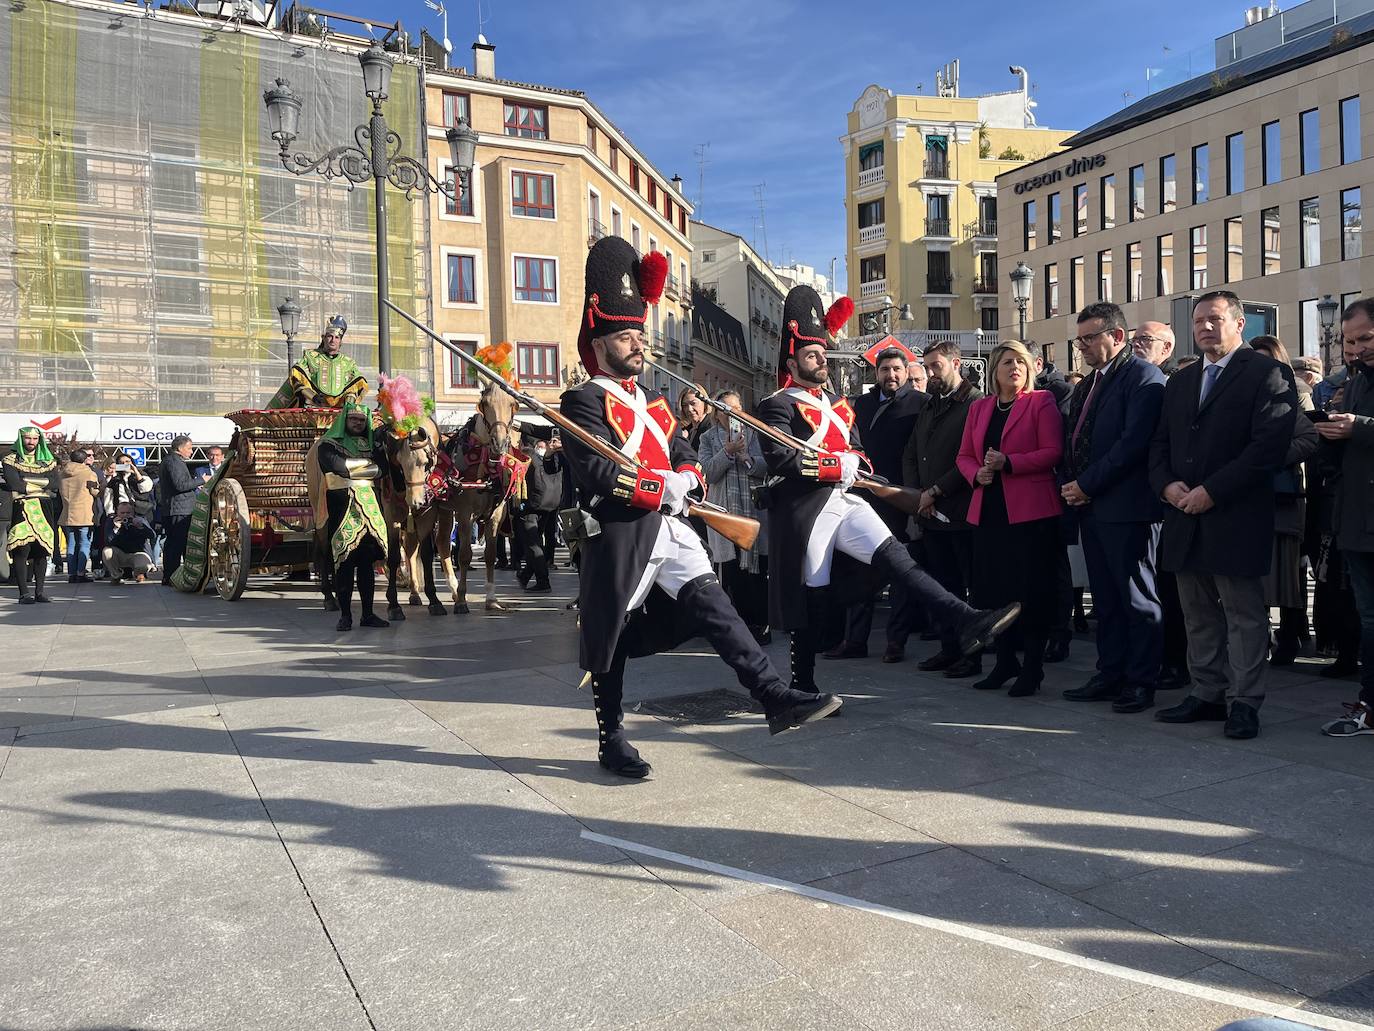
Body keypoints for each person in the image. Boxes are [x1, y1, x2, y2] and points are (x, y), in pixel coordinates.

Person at [560, 237, 841, 779]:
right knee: (610, 635)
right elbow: (596, 473)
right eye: (627, 336)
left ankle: (773, 696)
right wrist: (653, 486)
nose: (639, 344)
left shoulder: (652, 400)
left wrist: (686, 474)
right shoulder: (583, 401)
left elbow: (682, 446)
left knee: (719, 610)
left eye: (640, 334)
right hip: (622, 533)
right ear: (599, 343)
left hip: (672, 530)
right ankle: (611, 737)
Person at [757, 284, 1019, 700]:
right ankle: (802, 685)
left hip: (845, 500)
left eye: (823, 352)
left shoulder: (841, 405)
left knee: (900, 558)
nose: (822, 359)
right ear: (792, 360)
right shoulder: (777, 405)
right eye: (812, 354)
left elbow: (857, 449)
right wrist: (834, 464)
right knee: (811, 600)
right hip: (805, 511)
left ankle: (969, 619)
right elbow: (780, 460)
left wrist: (854, 462)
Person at [1149, 291, 1299, 740]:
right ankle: (1207, 692)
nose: (1205, 328)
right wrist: (1166, 485)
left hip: (1234, 512)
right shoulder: (1180, 380)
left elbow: (1267, 448)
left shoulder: (1267, 373)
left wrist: (1212, 491)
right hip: (1184, 514)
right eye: (1198, 321)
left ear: (1239, 324)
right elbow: (1159, 444)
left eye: (1214, 319)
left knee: (1243, 614)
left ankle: (1245, 701)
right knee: (1196, 612)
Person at [1058, 303, 1167, 713]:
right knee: (1105, 598)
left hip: (1128, 507)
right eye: (1079, 339)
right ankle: (1110, 672)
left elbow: (1133, 445)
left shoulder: (1143, 377)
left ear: (1116, 337)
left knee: (1137, 598)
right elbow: (1078, 438)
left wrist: (1086, 484)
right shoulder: (1090, 383)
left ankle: (1141, 681)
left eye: (1089, 338)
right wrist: (1074, 487)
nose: (1081, 346)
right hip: (1092, 507)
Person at [958, 341, 1065, 696]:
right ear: (994, 371)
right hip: (989, 510)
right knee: (992, 591)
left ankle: (1032, 668)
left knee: (1030, 591)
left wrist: (1011, 463)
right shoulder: (980, 408)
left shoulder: (1041, 402)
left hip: (1030, 513)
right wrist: (977, 474)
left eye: (1020, 361)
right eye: (1007, 362)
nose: (1014, 367)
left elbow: (1053, 452)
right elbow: (964, 455)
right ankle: (1004, 662)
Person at [827, 344, 927, 662]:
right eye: (885, 370)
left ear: (907, 372)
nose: (891, 375)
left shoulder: (921, 404)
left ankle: (895, 642)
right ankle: (854, 640)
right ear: (877, 373)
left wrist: (917, 498)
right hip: (862, 497)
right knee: (859, 570)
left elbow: (919, 454)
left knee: (899, 571)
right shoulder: (861, 404)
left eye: (897, 369)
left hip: (899, 498)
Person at [902, 340, 984, 678]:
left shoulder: (975, 403)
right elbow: (911, 452)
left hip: (961, 510)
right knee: (942, 586)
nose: (931, 373)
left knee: (969, 588)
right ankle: (949, 649)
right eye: (927, 366)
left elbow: (971, 459)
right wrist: (917, 494)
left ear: (956, 362)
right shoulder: (929, 405)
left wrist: (937, 491)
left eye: (937, 366)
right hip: (929, 511)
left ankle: (971, 654)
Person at [1317, 298, 1374, 737]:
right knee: (1368, 617)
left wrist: (1360, 426)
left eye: (1366, 338)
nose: (1355, 349)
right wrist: (1330, 432)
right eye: (1350, 341)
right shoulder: (1354, 380)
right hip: (1356, 521)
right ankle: (1370, 705)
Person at [1249, 336, 1320, 667]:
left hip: (1284, 498)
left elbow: (1309, 440)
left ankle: (1290, 637)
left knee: (1288, 576)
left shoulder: (1296, 395)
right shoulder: (1241, 396)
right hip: (1249, 499)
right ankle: (1259, 640)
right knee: (1253, 577)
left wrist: (1269, 458)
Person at [1135, 324, 1190, 690]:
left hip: (1173, 499)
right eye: (1136, 339)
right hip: (1149, 496)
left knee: (1170, 589)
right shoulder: (1135, 380)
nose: (1138, 345)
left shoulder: (1170, 383)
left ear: (1167, 348)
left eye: (1147, 341)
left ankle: (1176, 662)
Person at [697, 390, 771, 642]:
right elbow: (708, 472)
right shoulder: (707, 438)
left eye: (736, 408)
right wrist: (727, 452)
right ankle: (736, 629)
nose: (732, 414)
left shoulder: (757, 433)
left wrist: (748, 459)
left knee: (758, 573)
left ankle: (761, 625)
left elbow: (768, 468)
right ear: (717, 415)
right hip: (725, 515)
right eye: (725, 410)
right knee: (730, 574)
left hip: (754, 513)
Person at [317, 402, 389, 631]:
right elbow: (339, 468)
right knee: (344, 564)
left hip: (369, 508)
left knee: (367, 565)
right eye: (354, 419)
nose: (358, 423)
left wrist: (356, 466)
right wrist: (369, 466)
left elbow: (383, 469)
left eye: (362, 420)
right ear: (344, 420)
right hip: (342, 507)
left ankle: (367, 614)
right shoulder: (328, 445)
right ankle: (345, 616)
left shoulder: (372, 444)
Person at [4, 427, 58, 603]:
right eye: (28, 438)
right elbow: (14, 483)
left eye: (35, 439)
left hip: (45, 508)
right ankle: (23, 593)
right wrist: (42, 485)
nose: (31, 442)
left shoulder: (48, 460)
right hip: (23, 507)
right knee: (22, 549)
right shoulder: (10, 460)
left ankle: (40, 592)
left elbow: (55, 483)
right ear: (21, 439)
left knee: (42, 551)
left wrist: (26, 481)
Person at [266, 315, 368, 409]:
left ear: (340, 341)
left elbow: (357, 385)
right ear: (324, 338)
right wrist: (313, 397)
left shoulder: (349, 363)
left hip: (339, 412)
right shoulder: (311, 356)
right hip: (312, 407)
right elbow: (296, 378)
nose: (333, 340)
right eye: (330, 336)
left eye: (337, 337)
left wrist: (349, 403)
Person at [514, 424, 562, 594]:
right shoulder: (554, 456)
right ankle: (526, 575)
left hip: (531, 506)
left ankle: (543, 581)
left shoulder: (525, 457)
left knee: (533, 544)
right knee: (536, 542)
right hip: (550, 505)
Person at [158, 436, 200, 586]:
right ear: (180, 448)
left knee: (174, 544)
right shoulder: (174, 462)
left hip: (175, 508)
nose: (191, 451)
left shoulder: (170, 461)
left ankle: (171, 575)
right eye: (189, 448)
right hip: (179, 509)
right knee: (176, 544)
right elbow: (181, 485)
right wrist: (202, 480)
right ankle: (172, 576)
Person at [57, 448, 99, 584]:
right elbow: (95, 492)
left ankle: (71, 574)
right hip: (84, 514)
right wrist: (102, 486)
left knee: (71, 544)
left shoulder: (62, 473)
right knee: (84, 544)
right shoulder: (89, 473)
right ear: (84, 459)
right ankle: (81, 573)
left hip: (67, 514)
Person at [103, 501, 157, 584]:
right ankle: (116, 575)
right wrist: (115, 529)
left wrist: (141, 527)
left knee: (144, 565)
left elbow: (152, 535)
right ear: (117, 512)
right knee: (107, 551)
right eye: (122, 513)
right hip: (120, 553)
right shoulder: (111, 521)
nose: (125, 515)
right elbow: (107, 541)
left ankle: (138, 573)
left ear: (133, 512)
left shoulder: (139, 520)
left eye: (128, 513)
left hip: (137, 553)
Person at [676, 387, 709, 451]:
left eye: (693, 403)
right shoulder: (686, 430)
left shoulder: (711, 427)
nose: (689, 409)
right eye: (685, 405)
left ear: (704, 403)